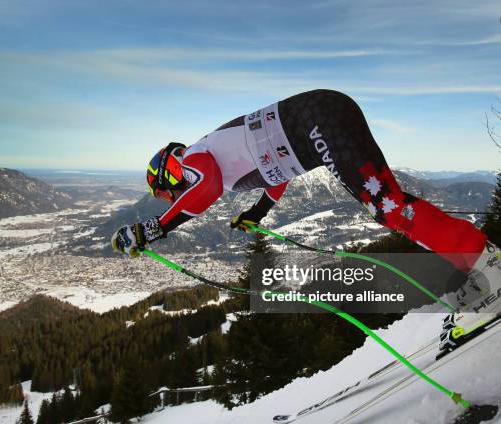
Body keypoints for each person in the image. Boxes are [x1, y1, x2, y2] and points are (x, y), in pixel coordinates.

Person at [111, 89, 500, 351]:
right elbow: (277, 175)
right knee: (390, 207)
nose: (172, 197)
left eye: (166, 191)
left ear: (167, 171)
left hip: (318, 121)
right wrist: (257, 212)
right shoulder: (219, 156)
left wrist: (155, 227)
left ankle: (490, 270)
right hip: (319, 121)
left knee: (389, 208)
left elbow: (206, 186)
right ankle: (485, 261)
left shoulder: (194, 157)